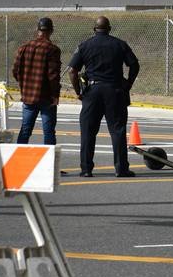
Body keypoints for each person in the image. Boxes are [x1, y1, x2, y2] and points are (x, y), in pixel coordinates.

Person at [68, 16, 140, 177]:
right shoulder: (119, 44)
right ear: (109, 29)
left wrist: (78, 91)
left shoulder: (85, 45)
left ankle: (86, 169)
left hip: (92, 91)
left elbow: (72, 71)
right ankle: (121, 168)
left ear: (94, 29)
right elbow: (134, 64)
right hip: (115, 90)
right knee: (117, 130)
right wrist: (128, 83)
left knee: (88, 131)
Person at [11, 16, 62, 145]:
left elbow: (15, 71)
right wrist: (55, 95)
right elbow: (53, 76)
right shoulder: (52, 50)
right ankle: (50, 162)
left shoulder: (23, 48)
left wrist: (25, 84)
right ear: (51, 31)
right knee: (49, 132)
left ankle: (18, 159)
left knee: (25, 131)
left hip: (28, 96)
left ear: (37, 29)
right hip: (46, 98)